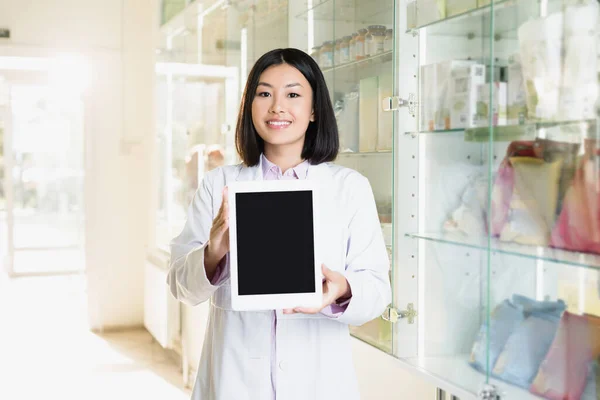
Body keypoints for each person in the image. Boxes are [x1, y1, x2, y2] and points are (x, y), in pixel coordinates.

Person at [168, 48, 391, 400]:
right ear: (249, 105)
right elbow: (181, 287)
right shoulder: (220, 185)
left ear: (314, 108)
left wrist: (341, 289)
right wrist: (214, 252)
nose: (277, 107)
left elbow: (378, 291)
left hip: (318, 382)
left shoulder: (348, 188)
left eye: (293, 94)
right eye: (264, 93)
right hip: (235, 381)